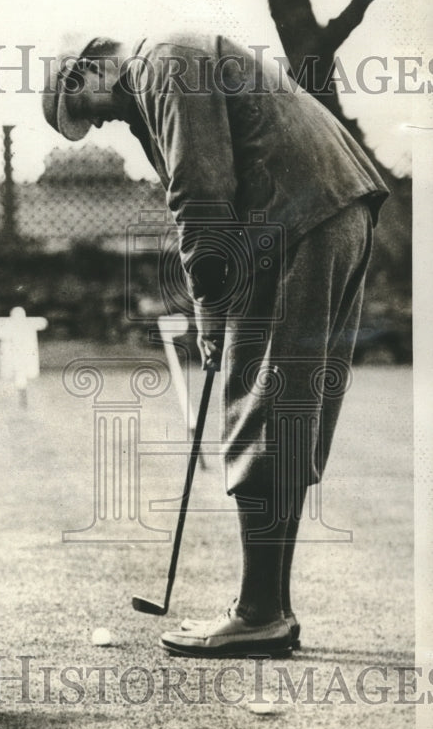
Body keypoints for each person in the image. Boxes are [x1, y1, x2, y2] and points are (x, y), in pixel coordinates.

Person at [42, 33, 388, 656]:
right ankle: (269, 609)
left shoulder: (162, 67)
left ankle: (258, 613)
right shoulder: (167, 65)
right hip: (330, 211)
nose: (105, 122)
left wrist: (208, 309)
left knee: (261, 409)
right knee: (286, 413)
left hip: (299, 222)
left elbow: (200, 194)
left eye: (92, 111)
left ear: (86, 71)